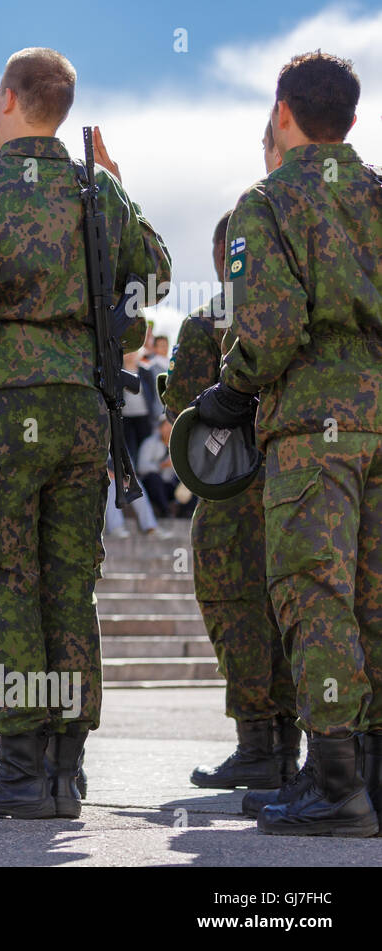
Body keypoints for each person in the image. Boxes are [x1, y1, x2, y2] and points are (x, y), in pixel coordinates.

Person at [0, 49, 170, 820]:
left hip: (3, 409)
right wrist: (119, 190)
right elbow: (155, 277)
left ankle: (20, 765)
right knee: (69, 582)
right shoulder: (97, 193)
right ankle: (66, 768)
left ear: (5, 98)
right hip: (83, 407)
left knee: (2, 578)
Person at [195, 52, 382, 837]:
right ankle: (369, 778)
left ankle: (333, 783)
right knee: (373, 603)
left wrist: (231, 393)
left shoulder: (267, 202)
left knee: (316, 597)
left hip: (313, 427)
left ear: (283, 113)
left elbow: (268, 328)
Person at [161, 210, 297, 796]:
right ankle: (293, 746)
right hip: (297, 489)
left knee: (234, 611)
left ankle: (256, 747)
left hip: (233, 494)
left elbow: (184, 412)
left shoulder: (209, 323)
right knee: (291, 613)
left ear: (223, 258)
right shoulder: (299, 313)